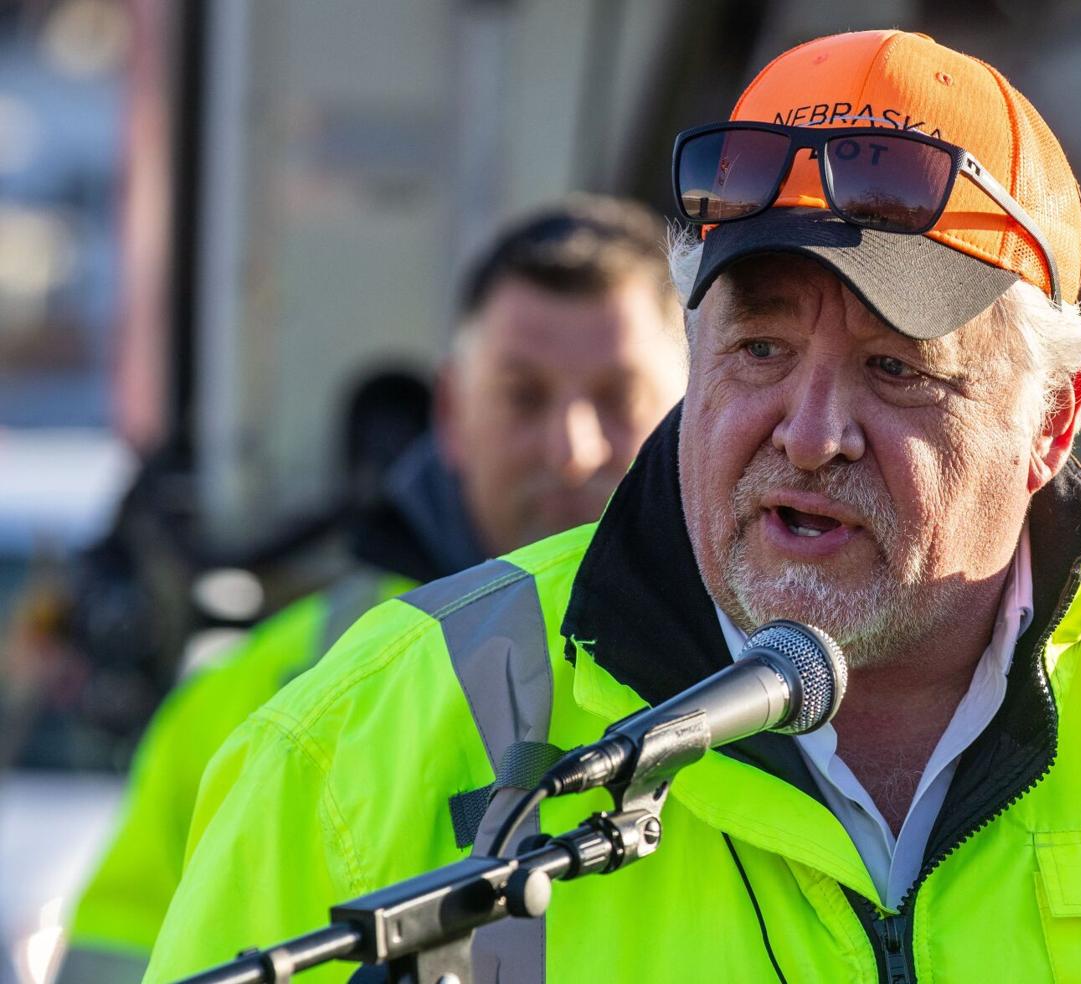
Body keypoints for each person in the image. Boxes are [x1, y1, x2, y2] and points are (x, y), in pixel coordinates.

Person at [146, 32, 1081, 983]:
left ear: (1053, 423)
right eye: (760, 352)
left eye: (900, 370)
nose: (812, 433)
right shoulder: (362, 753)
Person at [59, 194, 688, 982]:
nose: (571, 447)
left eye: (616, 397)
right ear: (453, 413)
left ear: (691, 410)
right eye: (524, 396)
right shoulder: (256, 701)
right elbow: (113, 958)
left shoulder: (769, 686)